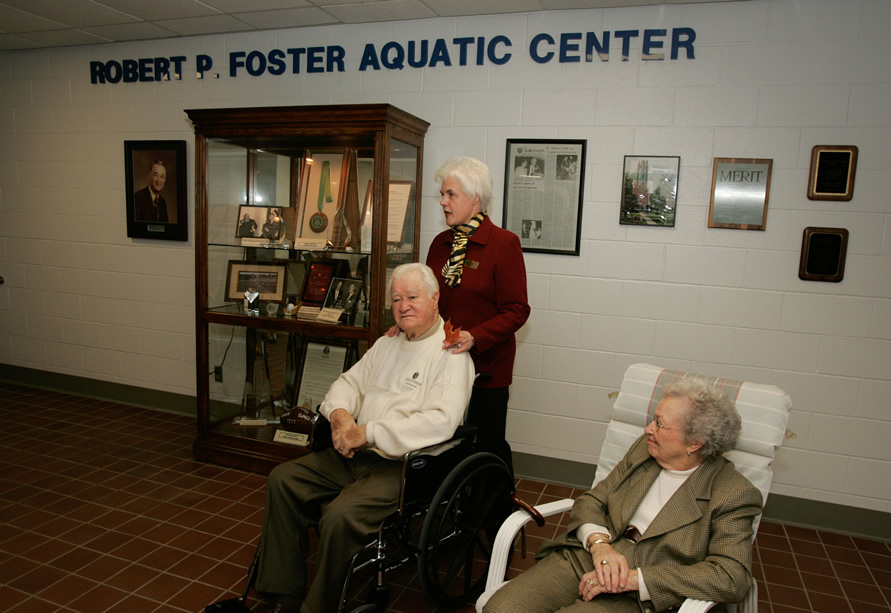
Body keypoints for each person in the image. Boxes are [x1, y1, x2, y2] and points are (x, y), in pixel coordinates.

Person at [255, 263, 475, 613]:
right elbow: (348, 384)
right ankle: (283, 591)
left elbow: (441, 423)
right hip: (355, 452)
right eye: (397, 299)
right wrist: (341, 417)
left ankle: (318, 608)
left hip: (402, 466)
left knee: (340, 517)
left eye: (413, 297)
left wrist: (367, 432)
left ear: (435, 298)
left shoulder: (450, 354)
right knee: (283, 480)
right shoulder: (387, 344)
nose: (403, 306)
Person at [483, 378, 763, 613]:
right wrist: (599, 545)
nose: (647, 430)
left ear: (694, 443)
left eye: (660, 424)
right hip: (588, 555)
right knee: (501, 609)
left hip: (640, 593)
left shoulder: (733, 494)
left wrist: (632, 579)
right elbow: (592, 500)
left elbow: (731, 576)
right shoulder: (646, 450)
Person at [425, 156, 530, 479]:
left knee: (486, 447)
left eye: (450, 194)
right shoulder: (440, 245)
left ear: (475, 198)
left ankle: (495, 517)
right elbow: (430, 301)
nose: (443, 202)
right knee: (444, 444)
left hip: (487, 369)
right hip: (442, 365)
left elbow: (517, 309)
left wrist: (476, 336)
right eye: (442, 195)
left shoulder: (503, 244)